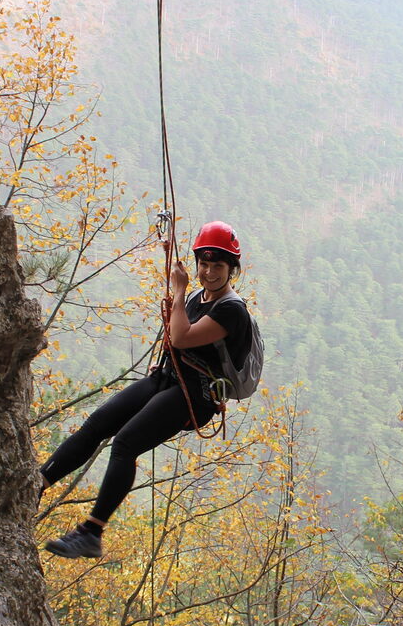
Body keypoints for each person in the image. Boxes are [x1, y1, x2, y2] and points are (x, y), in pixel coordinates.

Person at [40, 221, 253, 559]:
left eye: (218, 266)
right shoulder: (200, 296)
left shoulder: (232, 310)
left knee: (125, 443)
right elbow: (176, 334)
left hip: (195, 396)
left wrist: (180, 290)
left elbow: (182, 337)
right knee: (97, 424)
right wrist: (174, 265)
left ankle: (91, 532)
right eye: (204, 264)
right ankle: (36, 484)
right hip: (168, 378)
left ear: (232, 270)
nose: (209, 272)